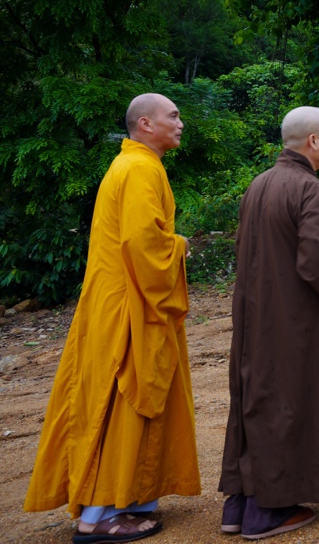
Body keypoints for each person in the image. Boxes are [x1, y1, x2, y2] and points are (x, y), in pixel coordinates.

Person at [25, 93, 200, 543]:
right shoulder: (140, 168)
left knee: (120, 400)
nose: (181, 123)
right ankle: (97, 517)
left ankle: (123, 501)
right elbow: (145, 246)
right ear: (145, 124)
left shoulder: (134, 165)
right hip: (128, 305)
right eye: (173, 116)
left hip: (114, 300)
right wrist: (178, 246)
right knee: (119, 399)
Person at [219, 106, 319, 539]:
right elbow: (317, 260)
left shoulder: (259, 184)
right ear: (313, 142)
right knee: (289, 397)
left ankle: (239, 503)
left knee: (256, 395)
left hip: (255, 313)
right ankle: (270, 509)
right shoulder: (308, 188)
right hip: (293, 316)